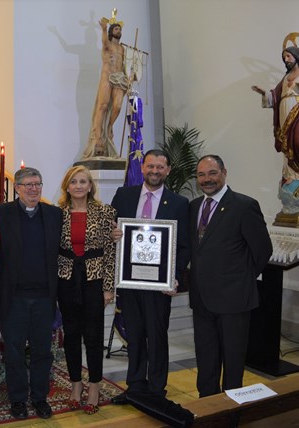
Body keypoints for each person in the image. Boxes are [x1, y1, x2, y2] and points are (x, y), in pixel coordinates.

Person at [110, 149, 190, 404]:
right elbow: (110, 228)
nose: (154, 171)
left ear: (167, 171)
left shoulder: (178, 202)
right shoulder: (124, 195)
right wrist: (113, 235)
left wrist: (174, 277)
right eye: (150, 166)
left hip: (159, 285)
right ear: (142, 168)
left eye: (160, 167)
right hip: (130, 281)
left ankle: (156, 390)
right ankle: (134, 387)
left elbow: (185, 245)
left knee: (156, 336)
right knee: (134, 335)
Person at [189, 155, 272, 397]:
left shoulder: (244, 205)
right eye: (201, 174)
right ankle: (207, 406)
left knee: (233, 359)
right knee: (205, 356)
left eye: (212, 173)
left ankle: (231, 410)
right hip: (201, 298)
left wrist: (241, 279)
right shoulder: (193, 206)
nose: (207, 179)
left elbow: (262, 250)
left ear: (224, 172)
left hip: (234, 298)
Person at [0, 167, 62, 420]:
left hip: (44, 297)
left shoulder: (55, 215)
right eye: (28, 185)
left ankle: (40, 397)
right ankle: (18, 399)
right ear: (17, 188)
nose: (34, 189)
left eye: (38, 185)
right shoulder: (0, 213)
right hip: (13, 297)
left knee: (43, 350)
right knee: (14, 351)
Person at [56, 165, 116, 414]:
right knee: (71, 336)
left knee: (93, 337)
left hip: (94, 280)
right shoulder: (56, 214)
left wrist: (108, 287)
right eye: (74, 182)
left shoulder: (105, 212)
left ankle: (94, 388)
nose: (79, 186)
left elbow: (110, 252)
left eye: (83, 181)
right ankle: (75, 386)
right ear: (67, 187)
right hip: (66, 279)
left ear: (90, 186)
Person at [251, 45, 299, 184]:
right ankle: (291, 175)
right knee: (288, 143)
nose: (286, 59)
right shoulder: (286, 77)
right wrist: (264, 93)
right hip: (284, 111)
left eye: (288, 56)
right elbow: (275, 96)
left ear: (296, 56)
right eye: (284, 57)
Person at [83, 13, 128, 159]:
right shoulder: (107, 44)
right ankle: (98, 138)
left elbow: (126, 65)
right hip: (107, 78)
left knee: (117, 106)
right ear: (110, 32)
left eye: (119, 29)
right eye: (115, 29)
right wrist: (103, 29)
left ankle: (109, 126)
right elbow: (103, 42)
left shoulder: (122, 49)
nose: (118, 31)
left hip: (119, 79)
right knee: (102, 106)